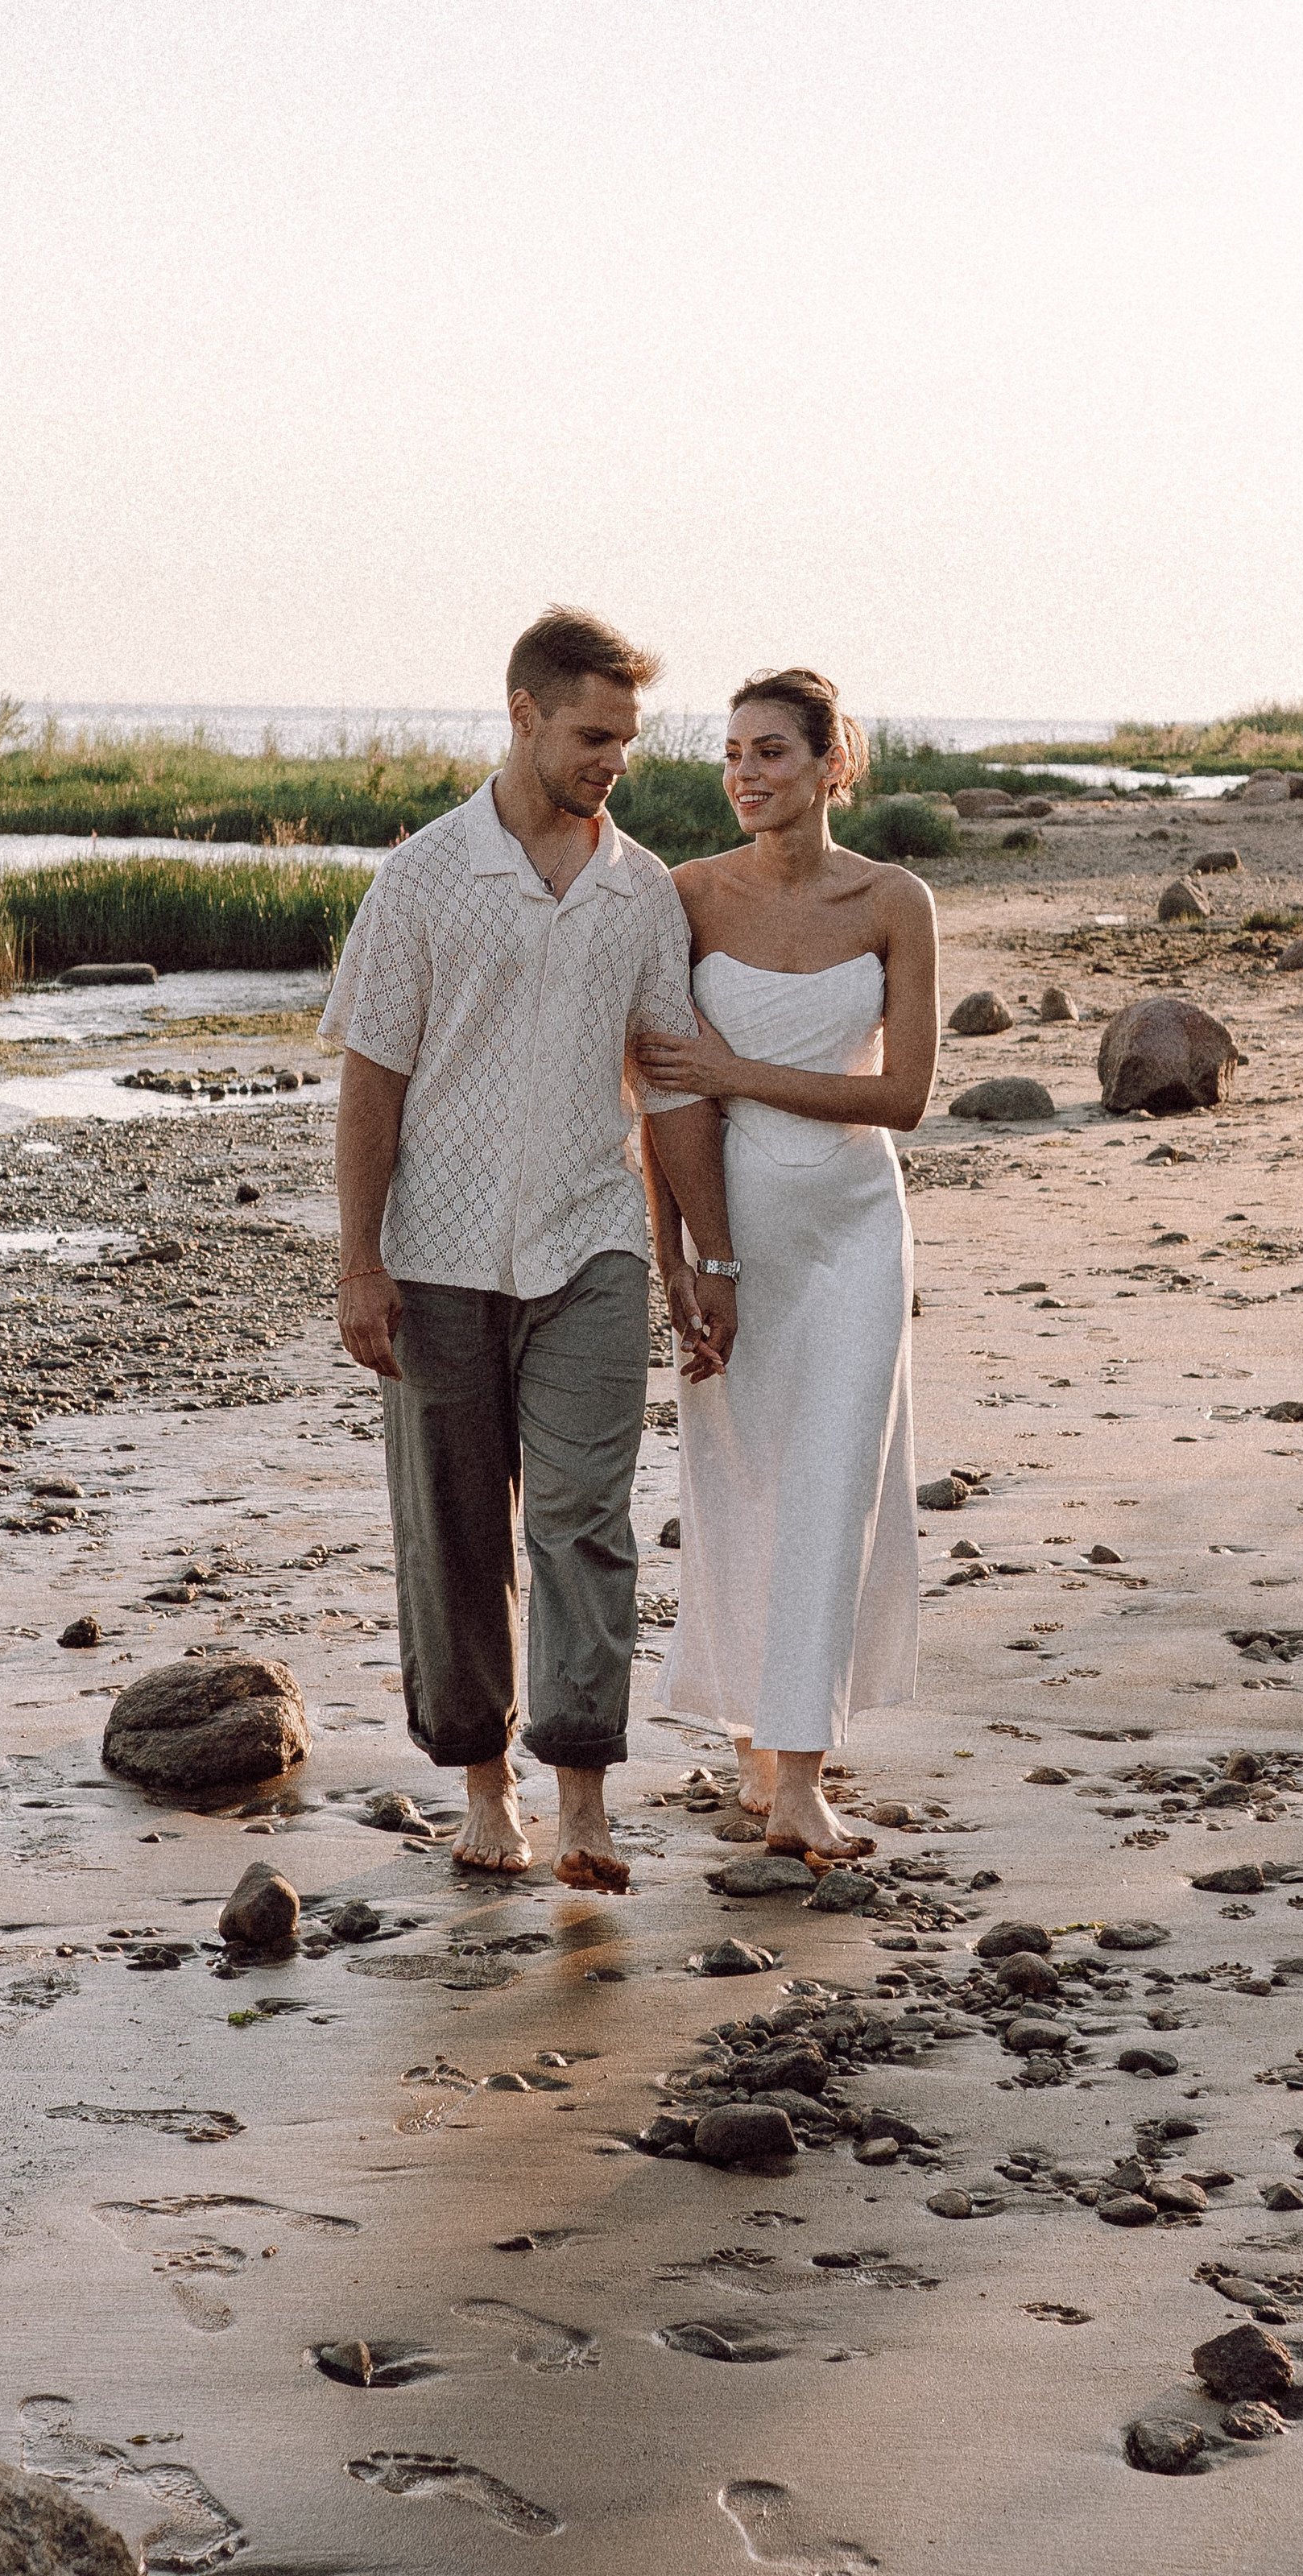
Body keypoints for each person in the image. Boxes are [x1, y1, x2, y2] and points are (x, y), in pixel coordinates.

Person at [325, 607, 739, 1891]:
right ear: (522, 714)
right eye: (592, 734)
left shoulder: (640, 892)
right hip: (437, 1254)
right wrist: (358, 1262)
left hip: (593, 1248)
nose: (614, 759)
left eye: (626, 739)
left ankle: (585, 1797)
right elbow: (371, 1083)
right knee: (450, 1532)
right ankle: (483, 1785)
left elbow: (670, 1087)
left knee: (584, 1522)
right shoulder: (424, 880)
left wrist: (702, 1259)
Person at [635, 668, 937, 1863]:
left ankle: (804, 1774)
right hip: (735, 1228)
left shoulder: (892, 901)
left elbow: (904, 1095)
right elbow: (661, 1088)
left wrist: (737, 1071)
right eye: (732, 754)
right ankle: (758, 1739)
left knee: (836, 1483)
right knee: (742, 1479)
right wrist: (682, 1258)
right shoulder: (687, 896)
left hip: (858, 1220)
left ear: (831, 767)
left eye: (771, 753)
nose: (746, 776)